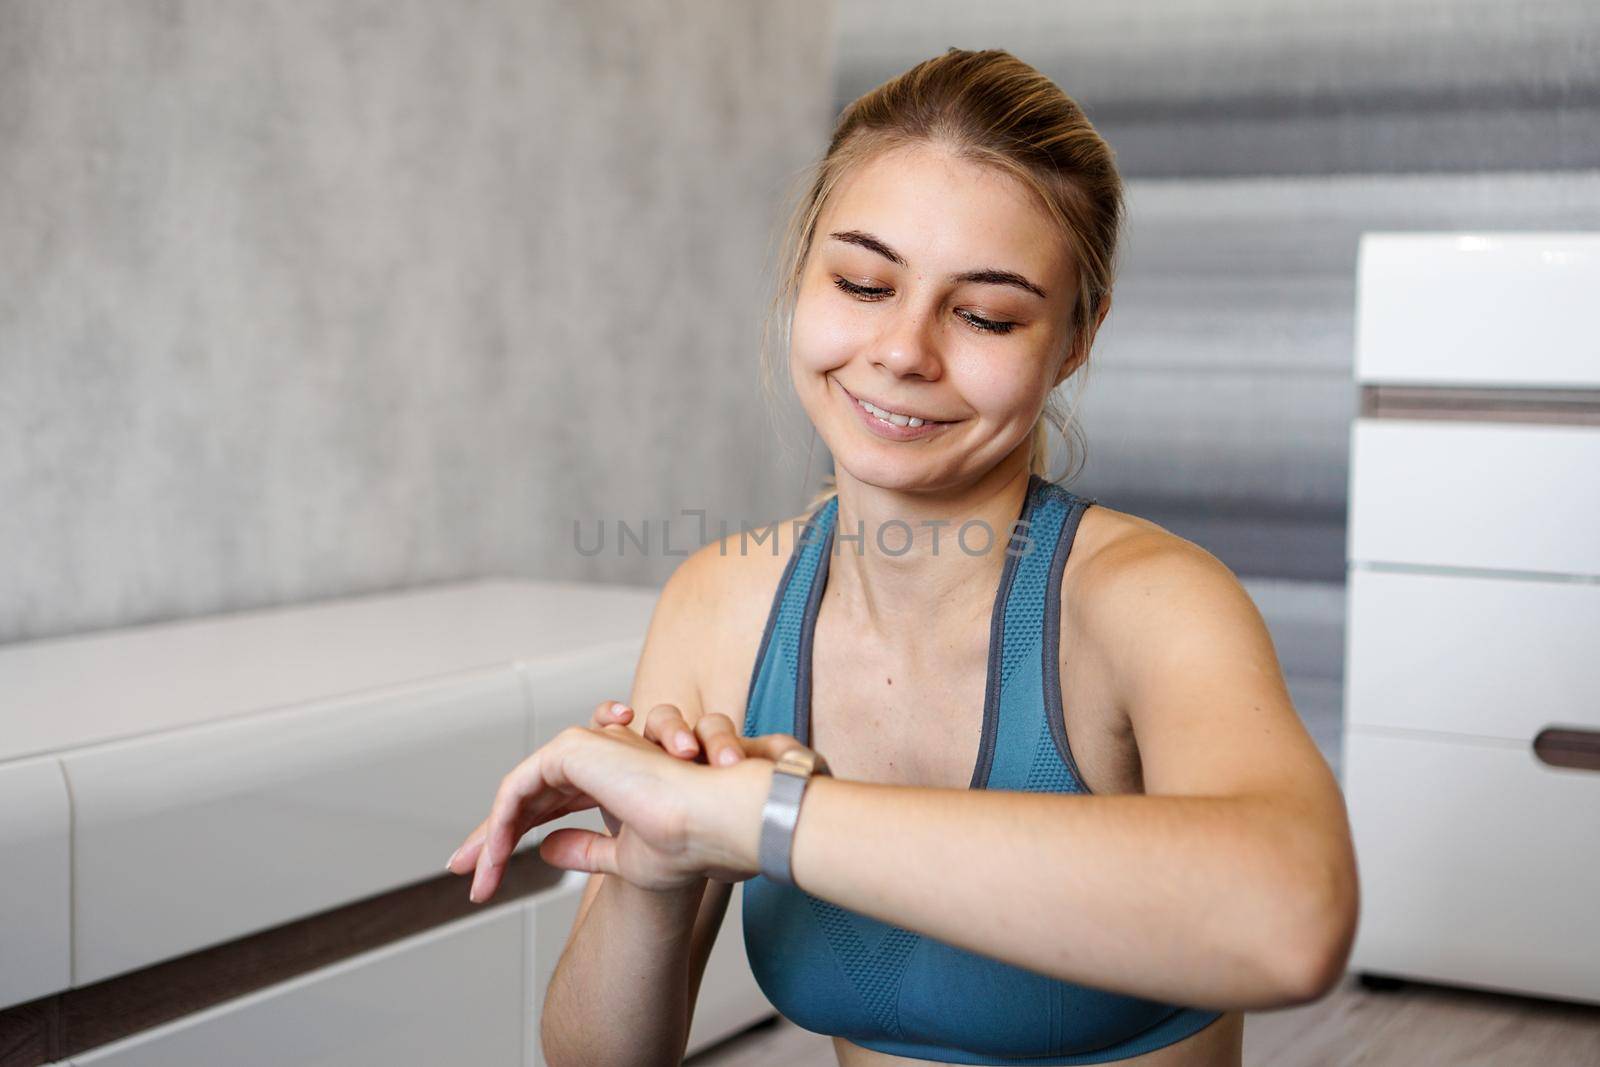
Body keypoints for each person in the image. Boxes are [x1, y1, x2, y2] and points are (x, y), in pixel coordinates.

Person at [448, 47, 1358, 1067]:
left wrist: (763, 816)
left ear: (1072, 339)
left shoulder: (1148, 601)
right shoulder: (721, 604)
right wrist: (659, 868)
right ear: (802, 276)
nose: (902, 350)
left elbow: (1296, 917)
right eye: (862, 281)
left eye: (984, 313)